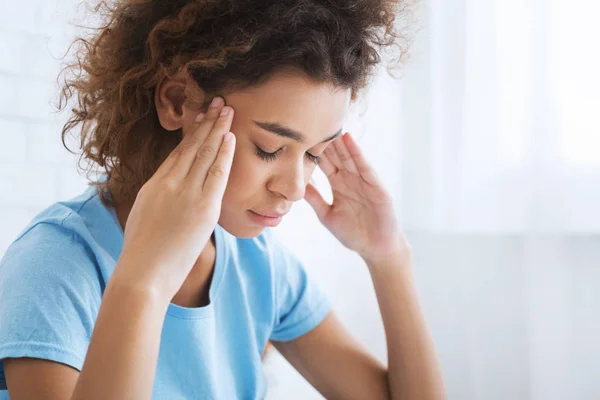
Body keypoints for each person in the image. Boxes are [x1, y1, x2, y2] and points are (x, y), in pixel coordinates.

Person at [0, 0, 445, 398]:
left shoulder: (260, 264)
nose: (293, 187)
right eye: (270, 148)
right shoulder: (55, 265)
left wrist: (389, 258)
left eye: (315, 154)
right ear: (178, 102)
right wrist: (144, 281)